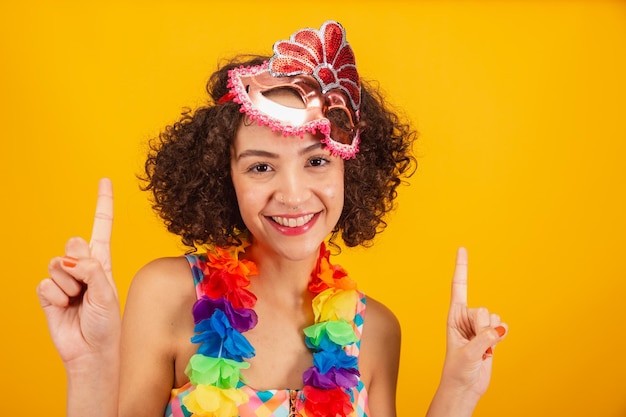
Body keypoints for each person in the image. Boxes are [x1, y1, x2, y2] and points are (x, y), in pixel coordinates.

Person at [37, 21, 507, 417]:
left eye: (317, 161)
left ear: (351, 170)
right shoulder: (168, 294)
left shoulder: (377, 331)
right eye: (261, 167)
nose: (293, 193)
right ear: (226, 180)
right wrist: (90, 365)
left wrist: (459, 392)